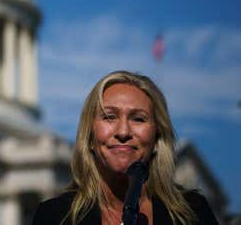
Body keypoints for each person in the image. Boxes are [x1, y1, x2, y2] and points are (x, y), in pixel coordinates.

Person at [31, 71, 218, 225]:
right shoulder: (54, 217)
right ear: (90, 137)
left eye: (138, 119)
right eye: (109, 117)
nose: (123, 132)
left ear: (156, 138)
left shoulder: (193, 213)